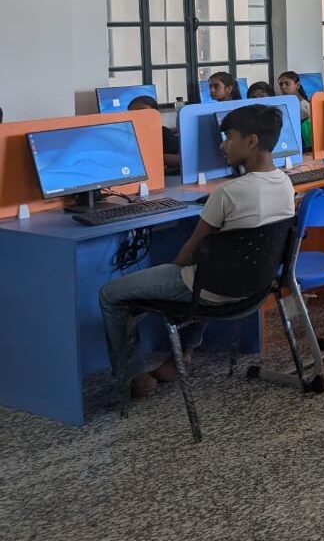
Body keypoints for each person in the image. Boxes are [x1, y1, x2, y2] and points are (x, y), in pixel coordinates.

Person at [98, 105, 295, 400]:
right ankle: (184, 353)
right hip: (255, 289)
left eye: (229, 136)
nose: (222, 145)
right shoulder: (286, 183)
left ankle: (129, 379)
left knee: (111, 294)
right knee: (208, 271)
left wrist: (170, 270)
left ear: (252, 141)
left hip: (213, 290)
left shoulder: (227, 193)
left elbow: (187, 255)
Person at [126, 95, 181, 173]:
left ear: (156, 114)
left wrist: (159, 158)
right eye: (133, 114)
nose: (138, 117)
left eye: (143, 112)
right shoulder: (128, 136)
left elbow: (181, 159)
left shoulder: (163, 134)